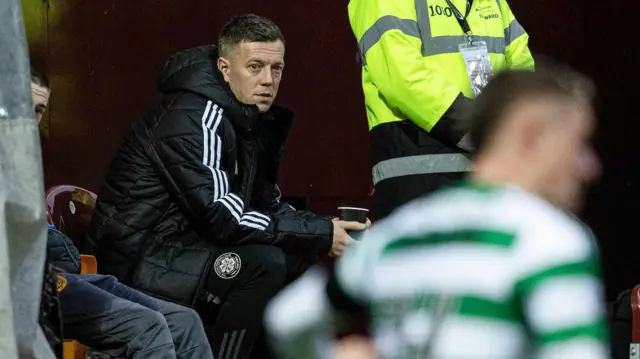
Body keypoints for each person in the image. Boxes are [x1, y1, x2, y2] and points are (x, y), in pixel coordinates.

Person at [269, 63, 609, 358]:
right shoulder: (550, 242)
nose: (589, 167)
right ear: (529, 134)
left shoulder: (395, 239)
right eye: (578, 143)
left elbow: (287, 319)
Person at [89, 14, 368, 359]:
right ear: (224, 67)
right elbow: (222, 213)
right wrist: (320, 234)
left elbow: (266, 204)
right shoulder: (197, 115)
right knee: (262, 262)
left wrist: (326, 229)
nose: (268, 80)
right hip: (137, 264)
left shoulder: (243, 117)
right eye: (255, 66)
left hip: (180, 250)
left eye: (276, 68)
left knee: (295, 255)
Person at [30, 69, 213, 359]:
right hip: (22, 289)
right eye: (22, 107)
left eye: (38, 110)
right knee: (147, 328)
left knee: (184, 321)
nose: (31, 120)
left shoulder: (20, 159)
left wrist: (49, 240)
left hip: (52, 277)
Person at [348, 0, 535, 218]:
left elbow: (522, 78)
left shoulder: (495, 3)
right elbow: (404, 79)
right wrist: (484, 130)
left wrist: (509, 131)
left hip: (491, 176)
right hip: (419, 177)